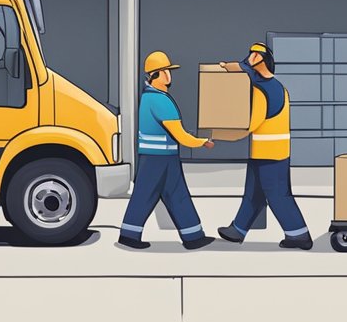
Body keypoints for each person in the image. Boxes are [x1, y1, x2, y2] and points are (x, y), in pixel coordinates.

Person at [216, 42, 313, 250]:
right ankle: (238, 230)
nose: (249, 57)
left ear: (262, 59)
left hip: (270, 154)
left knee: (278, 195)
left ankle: (299, 235)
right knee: (254, 194)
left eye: (254, 54)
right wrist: (225, 67)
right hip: (268, 152)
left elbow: (251, 122)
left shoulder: (262, 90)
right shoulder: (278, 86)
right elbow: (242, 67)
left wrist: (225, 133)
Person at [118, 51, 216, 250]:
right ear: (155, 75)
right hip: (157, 160)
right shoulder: (160, 101)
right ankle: (129, 235)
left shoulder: (151, 97)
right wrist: (202, 141)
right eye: (165, 71)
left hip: (163, 158)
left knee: (177, 195)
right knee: (145, 196)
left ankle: (193, 236)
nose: (169, 76)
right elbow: (180, 135)